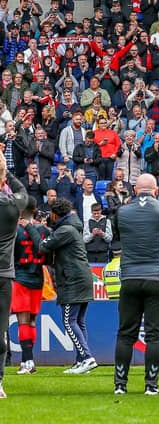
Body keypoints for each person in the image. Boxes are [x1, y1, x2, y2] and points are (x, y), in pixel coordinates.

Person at [112, 173, 159, 395]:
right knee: (155, 335)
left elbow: (118, 238)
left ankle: (120, 384)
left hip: (130, 277)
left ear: (135, 190)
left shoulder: (122, 212)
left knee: (125, 333)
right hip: (158, 278)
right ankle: (152, 385)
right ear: (156, 190)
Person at [26, 198, 96, 375]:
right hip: (82, 278)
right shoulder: (70, 227)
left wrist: (29, 227)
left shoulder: (65, 230)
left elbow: (43, 246)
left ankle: (87, 357)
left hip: (73, 280)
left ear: (55, 214)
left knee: (69, 321)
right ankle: (82, 361)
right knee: (79, 321)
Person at [0, 152, 28, 398]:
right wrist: (4, 170)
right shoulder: (12, 205)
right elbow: (22, 191)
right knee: (0, 329)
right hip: (3, 275)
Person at [12, 197, 49, 375]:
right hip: (38, 278)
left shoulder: (15, 230)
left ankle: (27, 361)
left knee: (23, 320)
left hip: (21, 278)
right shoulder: (44, 230)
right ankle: (29, 360)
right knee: (32, 321)